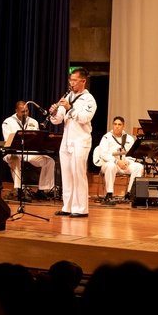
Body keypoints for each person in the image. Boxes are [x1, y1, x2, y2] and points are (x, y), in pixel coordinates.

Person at [49, 68, 97, 218]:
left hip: (80, 141)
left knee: (78, 174)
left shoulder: (89, 99)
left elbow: (84, 118)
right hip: (67, 140)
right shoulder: (68, 96)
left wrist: (69, 108)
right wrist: (55, 112)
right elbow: (57, 120)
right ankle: (67, 206)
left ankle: (81, 208)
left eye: (75, 80)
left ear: (83, 81)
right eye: (70, 80)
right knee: (66, 174)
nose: (72, 83)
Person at [1, 100, 56, 196]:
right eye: (22, 111)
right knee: (15, 158)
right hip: (14, 152)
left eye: (27, 111)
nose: (25, 113)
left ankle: (42, 189)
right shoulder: (7, 122)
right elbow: (8, 141)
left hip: (29, 152)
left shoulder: (33, 122)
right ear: (16, 111)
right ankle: (19, 190)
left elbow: (37, 139)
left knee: (49, 161)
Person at [92, 115, 144, 205]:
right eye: (115, 124)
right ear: (112, 125)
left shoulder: (129, 138)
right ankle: (109, 194)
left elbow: (132, 154)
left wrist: (127, 162)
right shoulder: (106, 137)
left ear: (123, 126)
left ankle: (130, 193)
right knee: (110, 166)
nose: (117, 126)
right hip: (110, 164)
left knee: (138, 166)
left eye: (119, 124)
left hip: (124, 164)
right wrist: (117, 162)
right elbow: (103, 154)